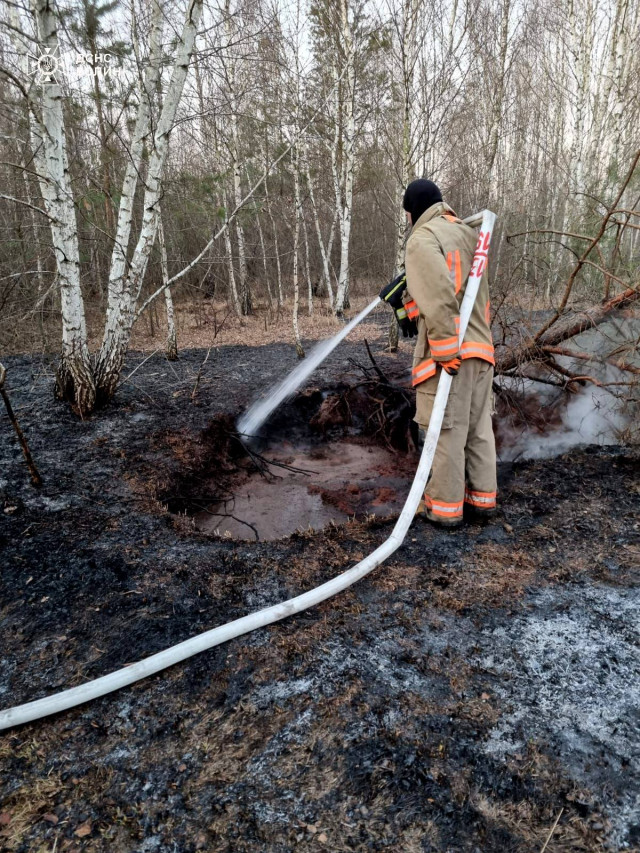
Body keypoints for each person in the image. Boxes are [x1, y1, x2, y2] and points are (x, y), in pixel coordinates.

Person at [380, 179, 497, 527]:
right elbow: (458, 291)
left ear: (412, 210)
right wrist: (407, 304)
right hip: (481, 349)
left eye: (406, 215)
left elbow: (440, 297)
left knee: (446, 432)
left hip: (452, 355)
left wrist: (445, 351)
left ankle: (445, 510)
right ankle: (482, 502)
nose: (407, 221)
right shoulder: (467, 233)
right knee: (477, 430)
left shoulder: (422, 238)